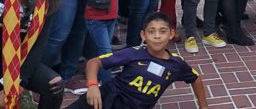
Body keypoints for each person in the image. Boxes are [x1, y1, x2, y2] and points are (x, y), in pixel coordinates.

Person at [68, 12, 208, 109]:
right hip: (106, 96)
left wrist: (204, 106)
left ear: (171, 34)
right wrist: (92, 86)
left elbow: (195, 78)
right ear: (143, 35)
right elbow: (94, 62)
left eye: (163, 31)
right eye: (151, 31)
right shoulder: (133, 53)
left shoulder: (176, 64)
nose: (157, 36)